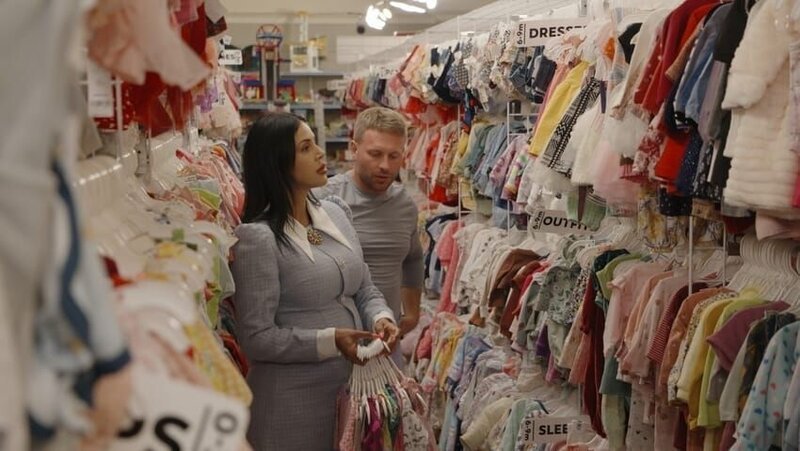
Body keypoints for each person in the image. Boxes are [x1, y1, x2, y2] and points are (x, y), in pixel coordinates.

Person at [231, 112, 400, 450]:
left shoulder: (334, 214)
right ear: (278, 163)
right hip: (291, 407)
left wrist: (381, 316)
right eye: (306, 148)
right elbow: (256, 339)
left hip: (351, 397)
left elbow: (363, 286)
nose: (321, 154)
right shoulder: (258, 239)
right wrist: (329, 340)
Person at [314, 107, 424, 366]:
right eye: (375, 154)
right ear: (354, 148)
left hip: (387, 343)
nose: (385, 166)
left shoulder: (404, 204)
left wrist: (412, 312)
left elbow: (413, 258)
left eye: (394, 156)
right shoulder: (323, 199)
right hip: (335, 348)